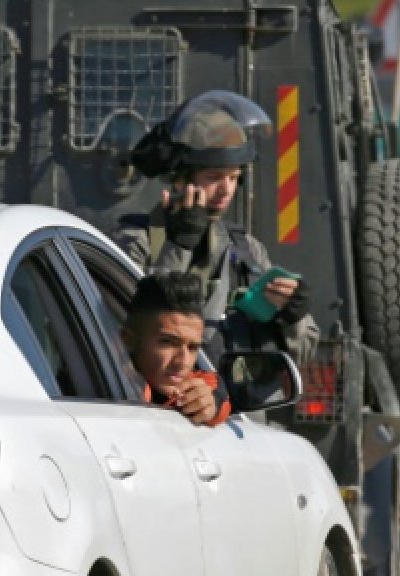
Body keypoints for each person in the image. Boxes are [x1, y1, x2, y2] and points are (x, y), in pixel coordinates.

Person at [118, 90, 319, 366]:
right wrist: (178, 246)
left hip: (236, 408)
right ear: (179, 181)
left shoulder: (245, 249)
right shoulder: (136, 242)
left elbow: (302, 356)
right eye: (213, 177)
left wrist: (292, 316)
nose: (226, 190)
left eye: (234, 177)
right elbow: (131, 335)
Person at [121, 270, 231, 426]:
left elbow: (213, 384)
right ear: (129, 340)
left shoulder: (191, 391)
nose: (183, 362)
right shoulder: (109, 384)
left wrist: (212, 403)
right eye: (168, 342)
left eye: (192, 347)